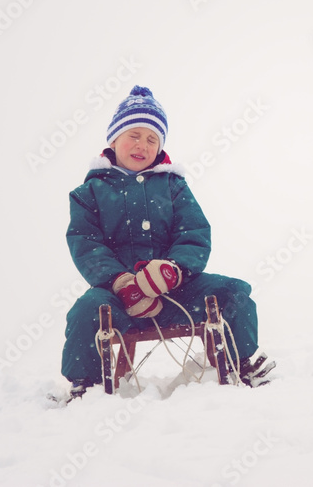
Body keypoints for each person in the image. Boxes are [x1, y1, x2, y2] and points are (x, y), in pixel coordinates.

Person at [60, 85, 274, 400]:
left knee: (234, 292)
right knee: (86, 312)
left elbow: (195, 232)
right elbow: (86, 244)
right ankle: (85, 387)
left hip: (178, 293)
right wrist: (120, 281)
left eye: (152, 139)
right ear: (114, 139)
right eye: (134, 135)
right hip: (119, 299)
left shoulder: (173, 186)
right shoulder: (88, 193)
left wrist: (174, 269)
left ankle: (240, 362)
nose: (142, 145)